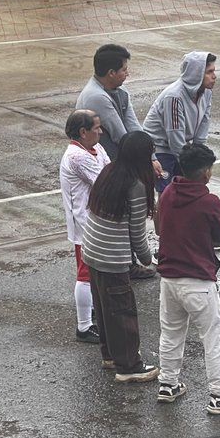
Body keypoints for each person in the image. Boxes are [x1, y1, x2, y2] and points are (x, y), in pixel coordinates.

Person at [154, 142, 220, 415]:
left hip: (169, 279)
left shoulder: (168, 192)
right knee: (212, 337)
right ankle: (219, 395)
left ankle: (168, 384)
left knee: (171, 332)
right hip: (198, 281)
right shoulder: (209, 202)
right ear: (205, 172)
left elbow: (160, 229)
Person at [76, 43, 162, 279]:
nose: (127, 73)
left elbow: (133, 125)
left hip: (119, 162)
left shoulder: (118, 92)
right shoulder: (96, 97)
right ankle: (125, 263)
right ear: (111, 73)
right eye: (124, 69)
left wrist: (150, 155)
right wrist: (145, 160)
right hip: (107, 166)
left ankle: (127, 262)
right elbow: (121, 134)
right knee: (118, 214)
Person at [81, 130, 160, 382]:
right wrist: (149, 260)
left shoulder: (110, 171)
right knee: (122, 312)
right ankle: (128, 367)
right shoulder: (135, 185)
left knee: (105, 309)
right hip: (111, 257)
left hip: (92, 250)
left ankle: (110, 356)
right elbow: (137, 233)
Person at [59, 109, 111, 344]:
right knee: (86, 273)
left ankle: (90, 311)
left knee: (91, 271)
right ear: (83, 132)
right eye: (96, 128)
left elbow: (108, 169)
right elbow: (105, 181)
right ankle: (84, 327)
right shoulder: (76, 156)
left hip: (93, 218)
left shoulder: (95, 147)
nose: (100, 132)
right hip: (84, 222)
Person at [142, 51, 217, 195]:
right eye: (209, 72)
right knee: (167, 193)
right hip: (160, 147)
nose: (214, 76)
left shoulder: (206, 92)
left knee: (188, 189)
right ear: (196, 74)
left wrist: (199, 156)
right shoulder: (174, 97)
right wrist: (192, 164)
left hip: (182, 146)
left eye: (214, 71)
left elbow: (204, 124)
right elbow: (175, 137)